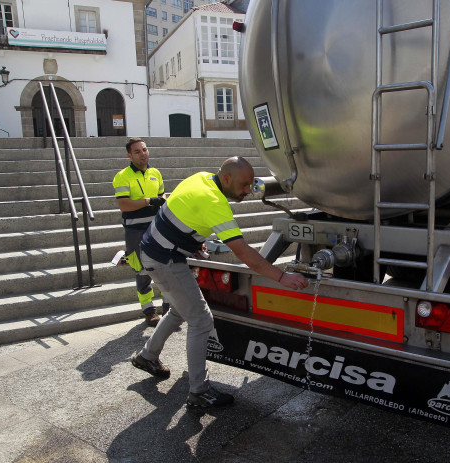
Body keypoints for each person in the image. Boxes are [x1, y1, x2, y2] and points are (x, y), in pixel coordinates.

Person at [131, 156, 309, 408]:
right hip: (165, 260)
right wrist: (282, 277)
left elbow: (178, 206)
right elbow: (244, 253)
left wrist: (193, 238)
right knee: (201, 320)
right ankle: (198, 391)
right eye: (244, 185)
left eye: (250, 184)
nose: (249, 191)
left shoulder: (201, 178)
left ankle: (147, 356)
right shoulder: (215, 203)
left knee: (180, 311)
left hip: (156, 251)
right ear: (226, 179)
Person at [112, 138, 166, 327]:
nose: (142, 153)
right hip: (135, 231)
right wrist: (148, 201)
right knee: (141, 270)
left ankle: (168, 308)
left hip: (157, 228)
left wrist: (162, 200)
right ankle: (149, 311)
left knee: (164, 267)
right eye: (137, 151)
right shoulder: (122, 176)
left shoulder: (155, 173)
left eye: (144, 149)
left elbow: (161, 196)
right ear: (129, 155)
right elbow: (123, 204)